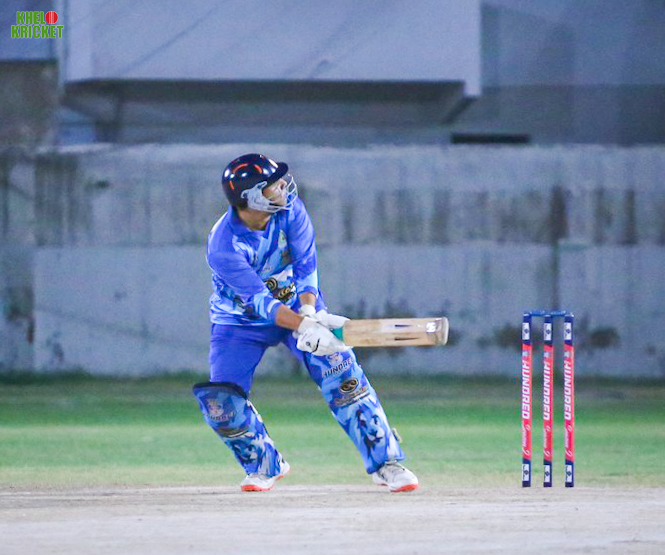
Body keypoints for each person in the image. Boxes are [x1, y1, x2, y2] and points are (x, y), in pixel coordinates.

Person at [192, 153, 418, 493]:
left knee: (344, 376)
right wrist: (303, 326)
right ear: (250, 197)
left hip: (298, 307)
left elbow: (305, 265)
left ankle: (386, 464)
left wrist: (310, 313)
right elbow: (259, 301)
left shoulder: (291, 211)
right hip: (239, 323)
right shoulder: (224, 245)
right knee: (221, 402)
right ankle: (263, 466)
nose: (283, 187)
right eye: (273, 185)